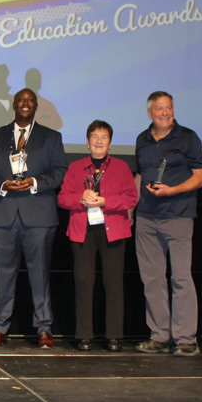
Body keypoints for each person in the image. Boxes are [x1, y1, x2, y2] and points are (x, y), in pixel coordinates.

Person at [0, 88, 67, 348]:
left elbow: (60, 171)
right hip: (3, 214)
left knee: (40, 275)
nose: (25, 104)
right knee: (3, 275)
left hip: (39, 217)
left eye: (30, 101)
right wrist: (2, 184)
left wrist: (35, 182)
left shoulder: (51, 137)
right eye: (21, 100)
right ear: (14, 105)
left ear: (36, 106)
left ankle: (44, 329)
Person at [133, 91, 202, 355]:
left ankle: (186, 339)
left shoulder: (188, 137)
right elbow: (140, 176)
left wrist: (172, 190)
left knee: (181, 278)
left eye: (169, 107)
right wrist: (132, 208)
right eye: (159, 108)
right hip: (146, 218)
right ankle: (160, 336)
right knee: (152, 279)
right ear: (150, 113)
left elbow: (200, 176)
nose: (165, 113)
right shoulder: (141, 139)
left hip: (178, 216)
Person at [58, 120, 137, 350]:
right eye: (95, 136)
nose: (99, 141)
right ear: (87, 142)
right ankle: (84, 335)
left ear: (110, 143)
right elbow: (62, 198)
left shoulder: (121, 167)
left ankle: (114, 336)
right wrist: (80, 198)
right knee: (84, 281)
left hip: (113, 229)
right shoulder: (76, 167)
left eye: (104, 137)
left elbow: (131, 197)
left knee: (113, 281)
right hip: (83, 230)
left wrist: (106, 202)